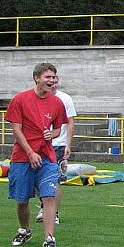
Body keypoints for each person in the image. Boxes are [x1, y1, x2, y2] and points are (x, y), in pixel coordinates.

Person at [6, 62, 67, 247]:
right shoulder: (20, 99)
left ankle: (49, 238)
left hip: (47, 156)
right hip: (22, 157)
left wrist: (54, 135)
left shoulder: (57, 102)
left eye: (54, 77)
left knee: (48, 196)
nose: (52, 81)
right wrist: (30, 152)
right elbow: (16, 129)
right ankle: (24, 229)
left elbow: (58, 128)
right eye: (48, 77)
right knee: (22, 199)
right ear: (37, 78)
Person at [36, 81, 77, 224]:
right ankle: (44, 206)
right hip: (40, 145)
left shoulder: (64, 99)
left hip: (58, 145)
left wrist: (68, 144)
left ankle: (55, 213)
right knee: (38, 178)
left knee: (56, 179)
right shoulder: (36, 99)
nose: (52, 83)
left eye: (54, 79)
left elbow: (71, 122)